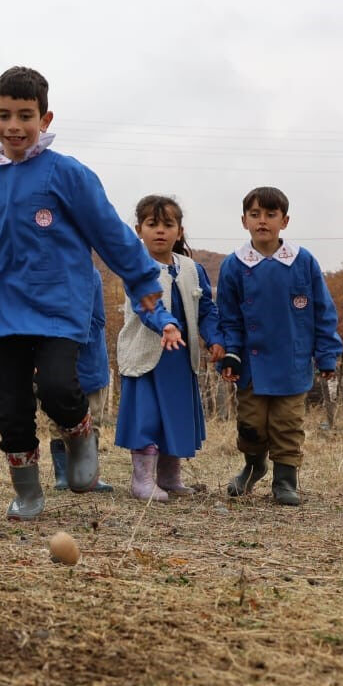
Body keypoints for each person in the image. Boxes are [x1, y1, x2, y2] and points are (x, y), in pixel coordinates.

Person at [0, 66, 168, 520]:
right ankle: (28, 493)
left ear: (45, 120)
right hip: (4, 306)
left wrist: (143, 281)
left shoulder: (66, 174)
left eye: (25, 116)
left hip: (59, 304)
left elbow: (109, 231)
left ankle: (80, 434)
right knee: (11, 408)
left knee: (57, 387)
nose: (14, 126)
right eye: (4, 115)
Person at [217, 186, 343, 507]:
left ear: (284, 221)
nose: (263, 221)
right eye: (255, 214)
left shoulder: (303, 262)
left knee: (287, 425)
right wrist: (231, 353)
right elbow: (228, 318)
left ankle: (285, 480)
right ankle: (253, 465)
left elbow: (323, 312)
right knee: (252, 424)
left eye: (271, 215)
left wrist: (327, 354)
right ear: (244, 220)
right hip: (250, 365)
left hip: (292, 360)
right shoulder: (234, 265)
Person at [116, 195, 221, 501]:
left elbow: (206, 310)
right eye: (152, 224)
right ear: (139, 229)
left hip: (179, 358)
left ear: (179, 230)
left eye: (168, 224)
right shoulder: (135, 268)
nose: (160, 230)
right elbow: (146, 305)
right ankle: (142, 480)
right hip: (146, 356)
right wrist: (166, 324)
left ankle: (170, 476)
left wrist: (214, 339)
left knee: (174, 416)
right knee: (147, 417)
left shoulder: (191, 268)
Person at [50, 272, 116, 493]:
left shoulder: (91, 276)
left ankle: (89, 476)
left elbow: (97, 320)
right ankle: (62, 475)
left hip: (90, 361)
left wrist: (70, 338)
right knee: (57, 421)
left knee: (92, 419)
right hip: (54, 360)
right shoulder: (44, 272)